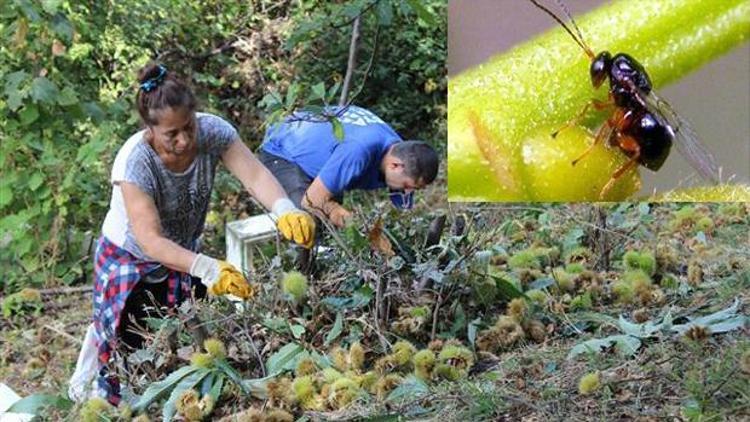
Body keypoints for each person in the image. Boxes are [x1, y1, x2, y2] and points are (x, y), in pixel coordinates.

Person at [68, 63, 315, 405]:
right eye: (172, 134)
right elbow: (150, 239)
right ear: (149, 129)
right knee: (125, 342)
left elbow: (255, 176)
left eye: (188, 127)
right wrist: (208, 268)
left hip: (184, 249)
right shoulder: (135, 163)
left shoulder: (213, 132)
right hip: (131, 256)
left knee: (185, 328)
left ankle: (188, 395)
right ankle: (108, 403)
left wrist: (284, 208)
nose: (184, 140)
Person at [257, 105, 440, 228]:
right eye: (408, 186)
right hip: (284, 149)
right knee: (305, 224)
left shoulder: (404, 156)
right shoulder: (358, 151)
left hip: (326, 154)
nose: (408, 192)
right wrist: (361, 228)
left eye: (414, 188)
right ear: (394, 166)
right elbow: (311, 201)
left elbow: (402, 213)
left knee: (332, 226)